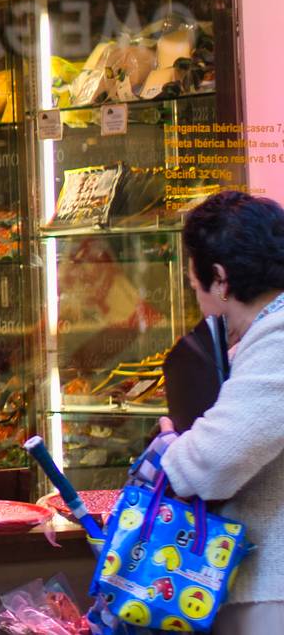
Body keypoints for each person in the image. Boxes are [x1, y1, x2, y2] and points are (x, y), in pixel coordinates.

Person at [138, 191, 284, 634]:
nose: (200, 303)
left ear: (220, 279)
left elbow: (214, 460)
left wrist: (169, 448)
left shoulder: (278, 338)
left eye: (195, 286)